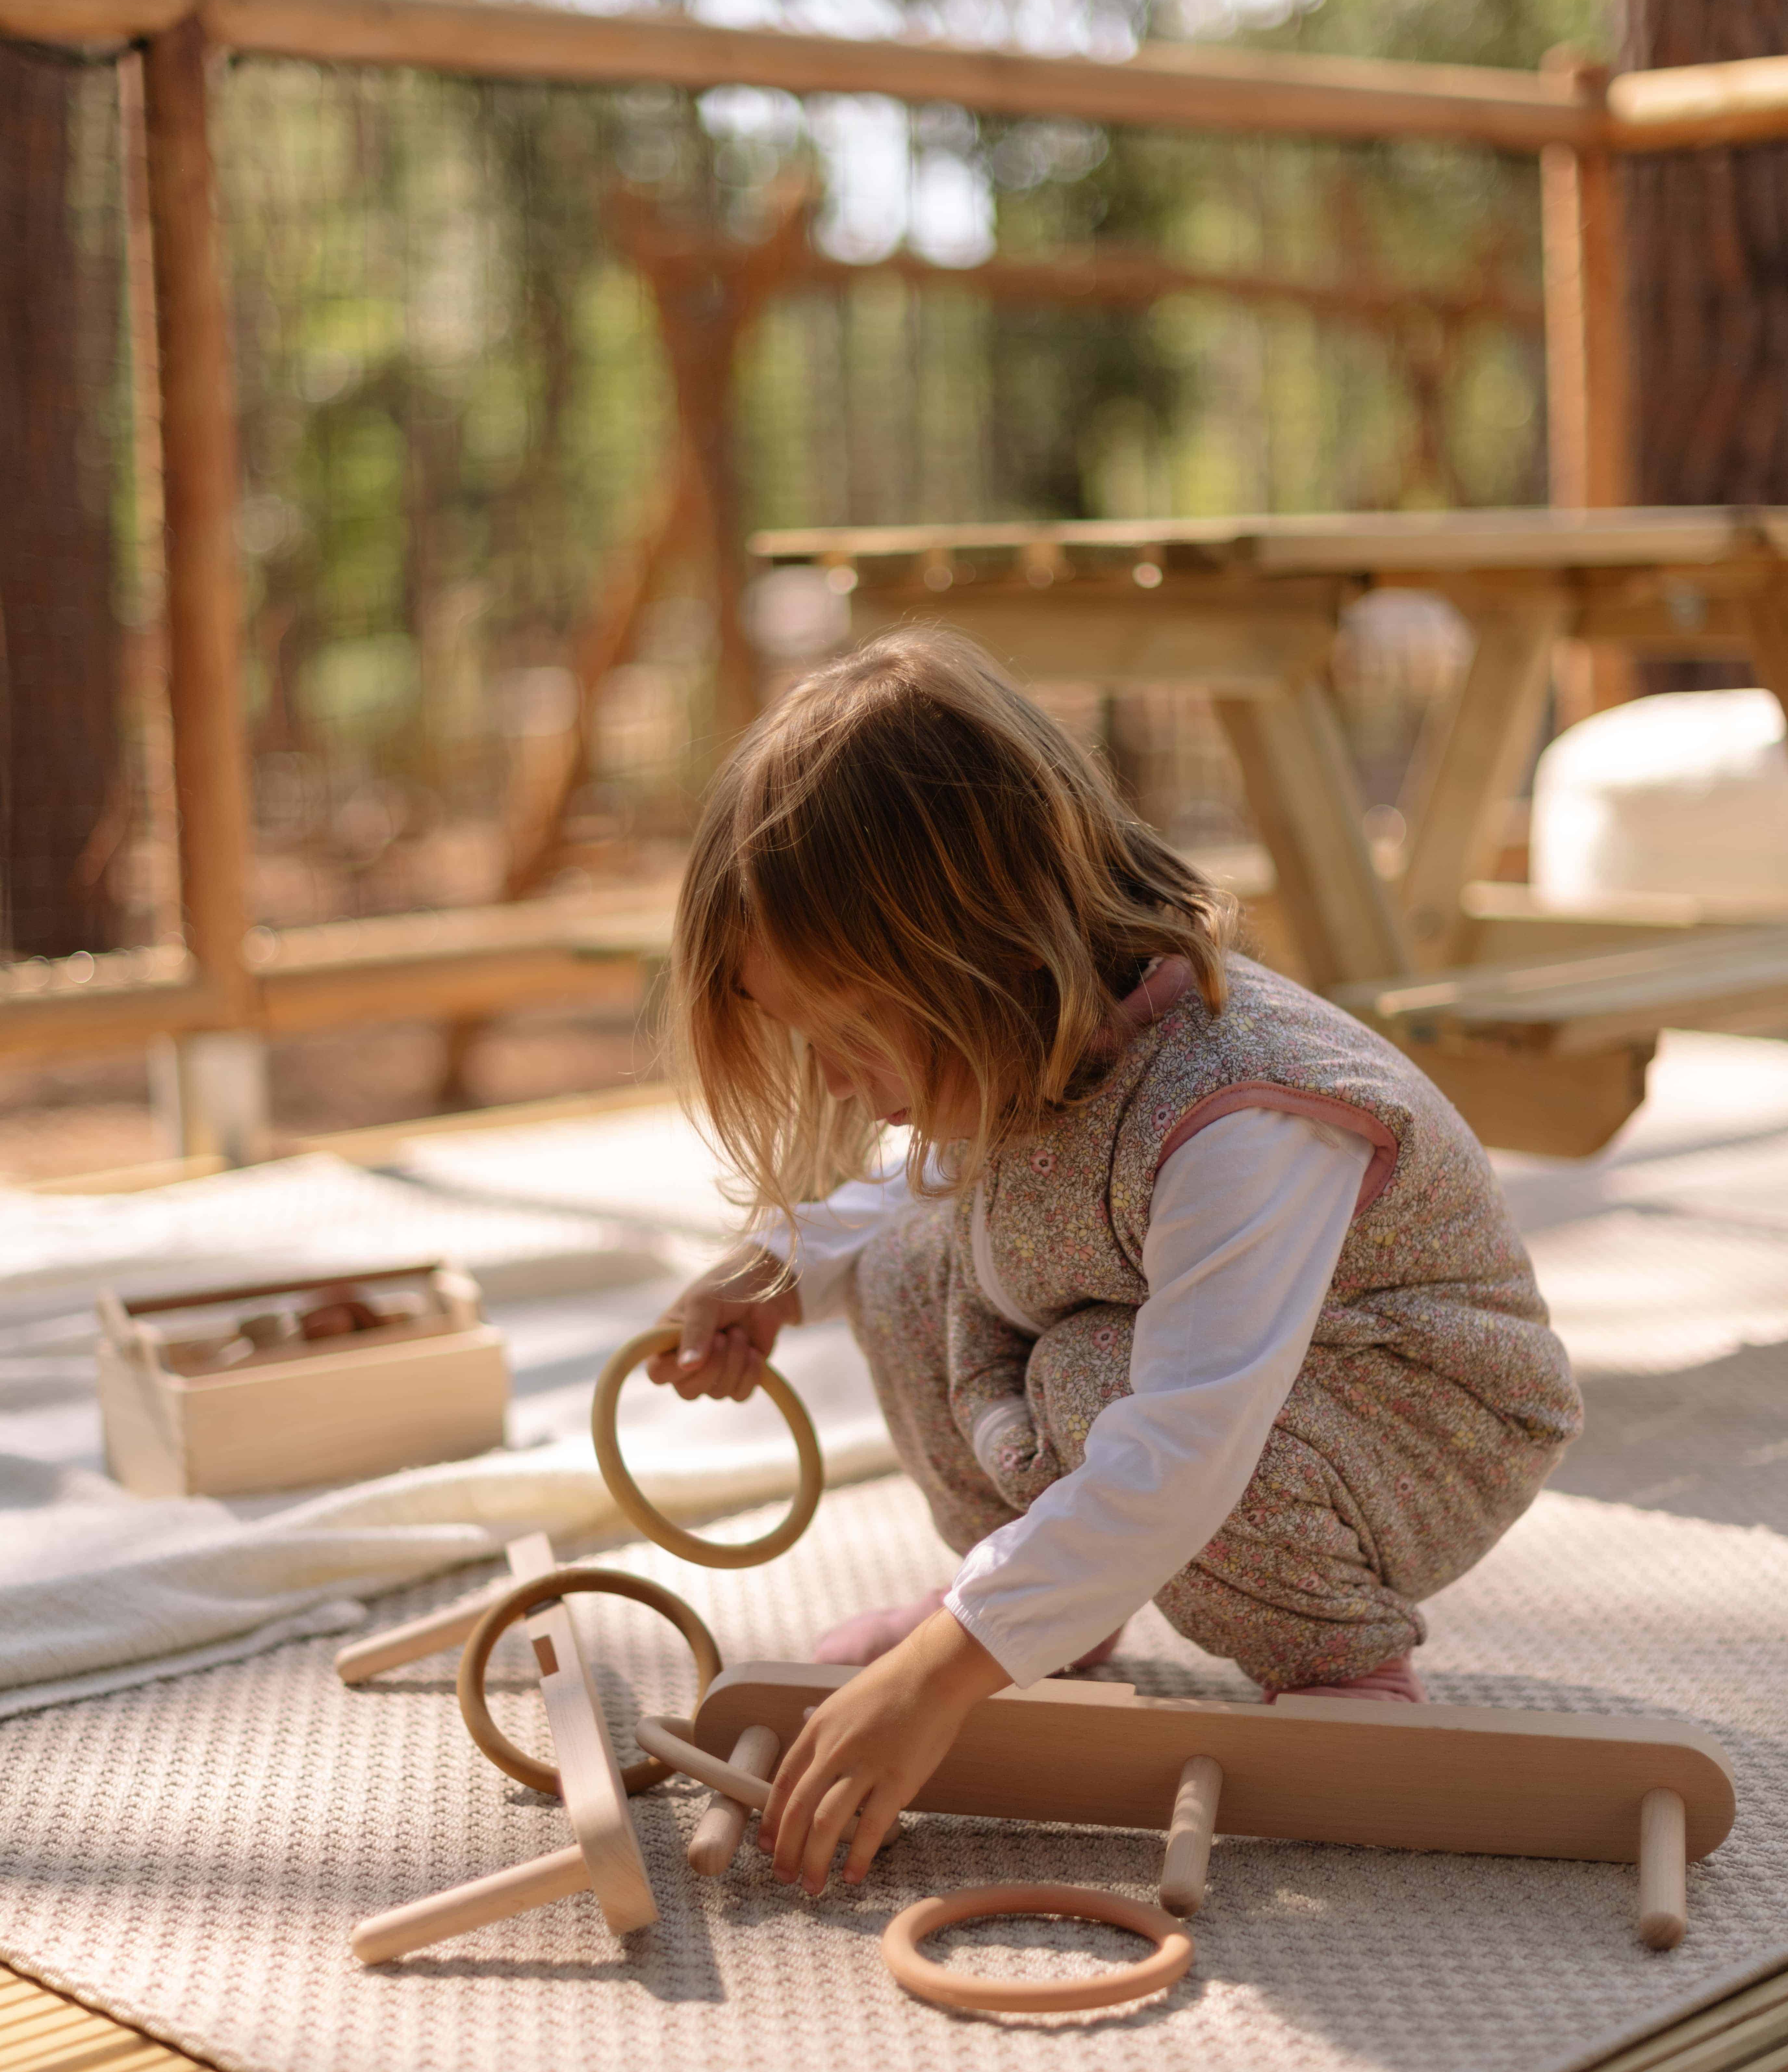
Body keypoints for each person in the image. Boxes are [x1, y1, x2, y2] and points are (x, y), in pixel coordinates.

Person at [651, 628, 1581, 1900]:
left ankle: (1338, 1662)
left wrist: (936, 1672)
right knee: (916, 1266)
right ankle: (1048, 1607)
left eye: (853, 1026)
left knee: (1097, 1386)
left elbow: (1186, 1436)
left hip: (1421, 1423)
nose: (830, 1078)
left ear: (985, 950)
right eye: (799, 1034)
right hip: (1249, 1396)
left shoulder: (1244, 1107)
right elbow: (907, 1201)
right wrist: (775, 1267)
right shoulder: (1023, 1032)